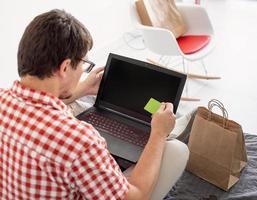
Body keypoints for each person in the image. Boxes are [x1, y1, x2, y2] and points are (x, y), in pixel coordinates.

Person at [0, 9, 189, 200]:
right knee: (177, 149)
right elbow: (134, 197)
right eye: (83, 64)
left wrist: (80, 90)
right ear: (65, 67)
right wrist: (158, 133)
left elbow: (35, 104)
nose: (83, 70)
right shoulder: (81, 141)